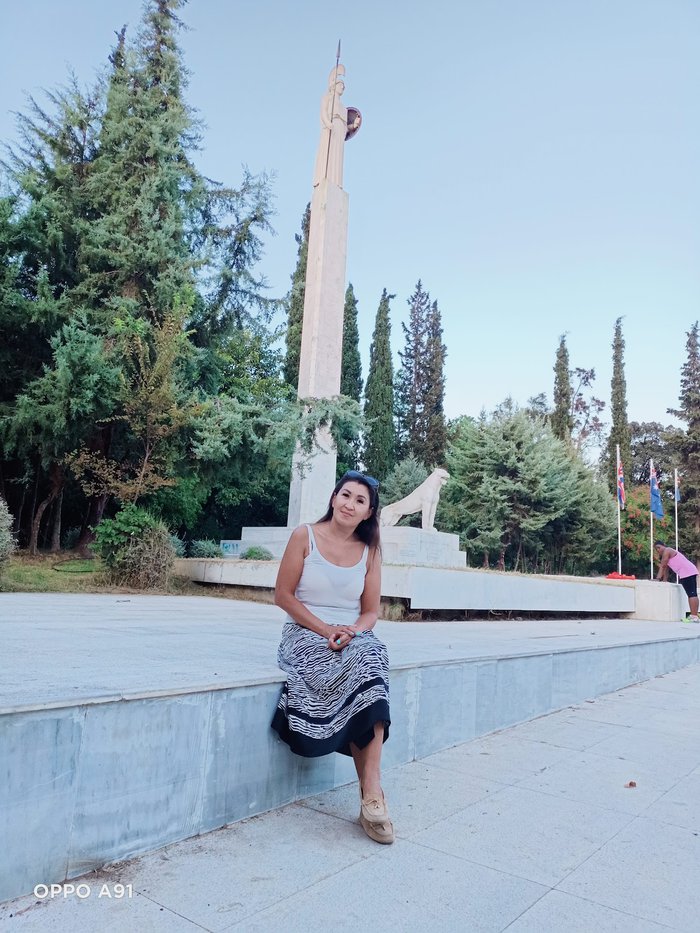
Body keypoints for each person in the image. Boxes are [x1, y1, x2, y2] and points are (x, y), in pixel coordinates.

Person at [271, 470, 394, 844]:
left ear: (368, 513)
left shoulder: (370, 551)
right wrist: (326, 630)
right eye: (345, 495)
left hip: (350, 635)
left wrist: (352, 631)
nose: (349, 504)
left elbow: (370, 612)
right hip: (304, 633)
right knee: (361, 666)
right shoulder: (304, 536)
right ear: (333, 498)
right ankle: (373, 797)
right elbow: (283, 596)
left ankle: (371, 789)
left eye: (360, 500)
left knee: (372, 656)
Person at [654, 541, 699, 621]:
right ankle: (694, 615)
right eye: (656, 549)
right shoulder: (666, 554)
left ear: (664, 546)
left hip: (687, 572)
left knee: (692, 594)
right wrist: (664, 580)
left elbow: (663, 566)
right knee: (691, 594)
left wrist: (657, 579)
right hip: (687, 572)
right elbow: (666, 568)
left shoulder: (667, 550)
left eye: (659, 547)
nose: (658, 550)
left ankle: (694, 616)